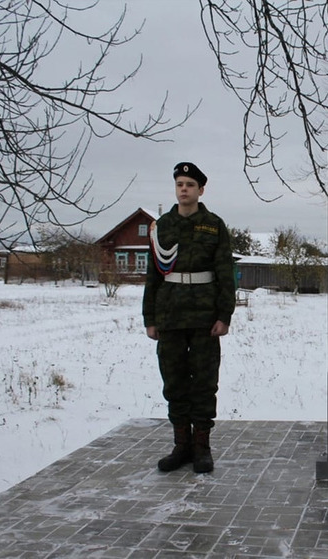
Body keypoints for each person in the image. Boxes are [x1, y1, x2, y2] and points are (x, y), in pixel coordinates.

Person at [143, 162, 236, 474]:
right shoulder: (162, 226)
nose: (184, 189)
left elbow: (225, 273)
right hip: (169, 315)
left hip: (204, 317)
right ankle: (181, 445)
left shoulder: (214, 225)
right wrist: (150, 317)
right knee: (174, 381)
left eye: (190, 185)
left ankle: (201, 447)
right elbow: (153, 275)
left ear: (201, 190)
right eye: (180, 184)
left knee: (205, 383)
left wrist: (225, 314)